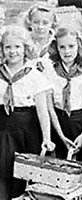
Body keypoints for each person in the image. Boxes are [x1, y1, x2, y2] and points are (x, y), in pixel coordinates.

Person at [0, 25, 55, 200]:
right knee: (2, 174)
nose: (12, 51)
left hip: (27, 132)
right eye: (8, 47)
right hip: (3, 130)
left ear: (25, 49)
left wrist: (46, 137)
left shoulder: (33, 75)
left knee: (22, 175)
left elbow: (42, 111)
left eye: (17, 46)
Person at [42, 27, 82, 163]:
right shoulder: (50, 71)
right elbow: (50, 108)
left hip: (81, 122)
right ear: (56, 48)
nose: (67, 51)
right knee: (59, 163)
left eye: (71, 46)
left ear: (78, 46)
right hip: (58, 122)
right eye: (62, 47)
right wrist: (61, 135)